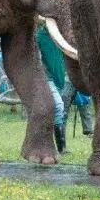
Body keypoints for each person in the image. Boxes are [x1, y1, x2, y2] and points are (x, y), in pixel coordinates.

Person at [36, 18, 70, 153]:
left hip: (57, 79)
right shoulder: (39, 37)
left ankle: (61, 147)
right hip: (45, 78)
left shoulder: (59, 37)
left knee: (58, 110)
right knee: (58, 106)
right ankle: (60, 148)